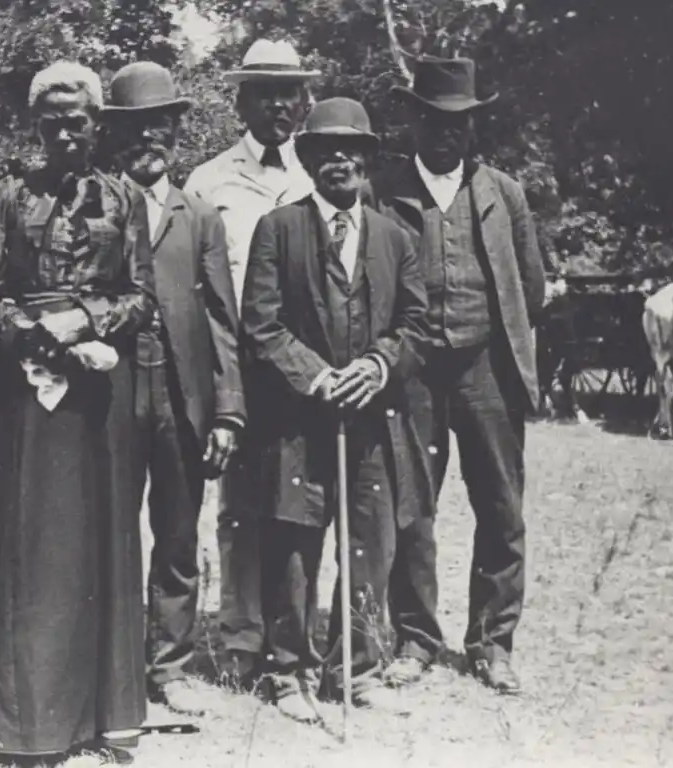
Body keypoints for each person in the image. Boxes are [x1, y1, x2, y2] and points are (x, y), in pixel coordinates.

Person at [0, 61, 155, 767]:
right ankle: (13, 720)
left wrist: (85, 321)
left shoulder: (124, 199)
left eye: (77, 118)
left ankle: (97, 716)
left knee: (93, 543)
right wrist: (35, 336)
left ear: (96, 125)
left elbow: (141, 295)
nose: (65, 130)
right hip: (20, 396)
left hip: (95, 397)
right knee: (23, 545)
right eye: (51, 119)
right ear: (36, 125)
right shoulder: (8, 197)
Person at [239, 97, 431, 722]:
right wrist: (319, 377)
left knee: (369, 542)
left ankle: (357, 667)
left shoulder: (396, 237)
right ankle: (286, 669)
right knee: (295, 540)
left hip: (372, 420)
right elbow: (260, 327)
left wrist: (376, 366)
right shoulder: (280, 228)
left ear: (369, 160)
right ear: (309, 159)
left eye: (352, 150)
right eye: (325, 150)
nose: (339, 160)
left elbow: (416, 323)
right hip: (298, 419)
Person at [368, 56, 546, 694]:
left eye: (462, 123)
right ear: (414, 120)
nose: (449, 134)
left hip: (487, 371)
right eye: (437, 120)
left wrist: (499, 349)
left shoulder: (504, 194)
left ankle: (493, 644)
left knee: (501, 507)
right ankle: (414, 638)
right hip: (411, 375)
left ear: (474, 128)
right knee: (411, 509)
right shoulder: (381, 191)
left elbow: (531, 285)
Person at [100, 61, 245, 716]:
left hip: (183, 397)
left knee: (179, 536)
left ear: (176, 133)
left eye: (159, 127)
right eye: (134, 129)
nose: (147, 141)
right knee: (110, 529)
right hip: (111, 396)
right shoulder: (95, 204)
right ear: (116, 136)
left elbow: (222, 318)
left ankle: (171, 664)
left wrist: (227, 413)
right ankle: (111, 662)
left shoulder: (201, 216)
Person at [182, 38, 320, 687]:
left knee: (295, 505)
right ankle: (240, 637)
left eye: (289, 92)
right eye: (264, 91)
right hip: (235, 368)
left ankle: (295, 635)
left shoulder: (319, 176)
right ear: (240, 98)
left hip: (299, 371)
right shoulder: (208, 183)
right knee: (237, 503)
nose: (279, 105)